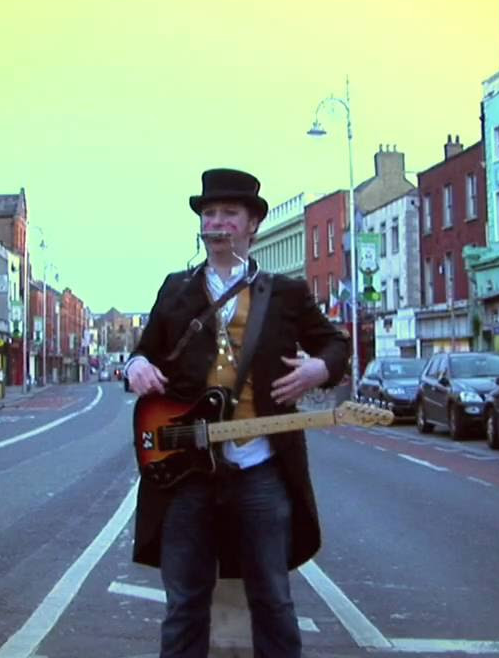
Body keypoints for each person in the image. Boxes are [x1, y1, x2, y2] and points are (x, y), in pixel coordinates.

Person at [125, 168, 348, 658]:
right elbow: (144, 351)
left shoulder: (284, 292)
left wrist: (319, 368)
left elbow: (335, 344)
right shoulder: (175, 288)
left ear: (252, 225)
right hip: (186, 473)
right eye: (209, 213)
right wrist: (136, 365)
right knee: (184, 603)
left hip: (260, 466)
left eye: (229, 213)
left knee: (272, 598)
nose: (217, 222)